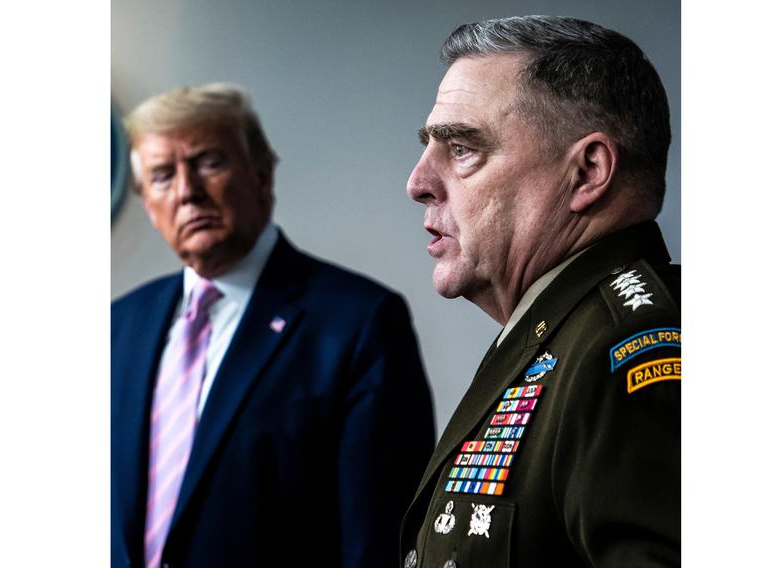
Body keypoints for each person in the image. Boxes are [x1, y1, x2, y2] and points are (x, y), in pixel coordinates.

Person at [111, 83, 435, 568]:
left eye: (208, 162)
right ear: (147, 203)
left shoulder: (358, 322)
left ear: (261, 174)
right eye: (162, 176)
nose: (187, 191)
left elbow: (377, 540)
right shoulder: (117, 326)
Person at [400, 16, 679, 568]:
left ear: (588, 171)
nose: (418, 183)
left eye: (461, 148)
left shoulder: (623, 346)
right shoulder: (562, 331)